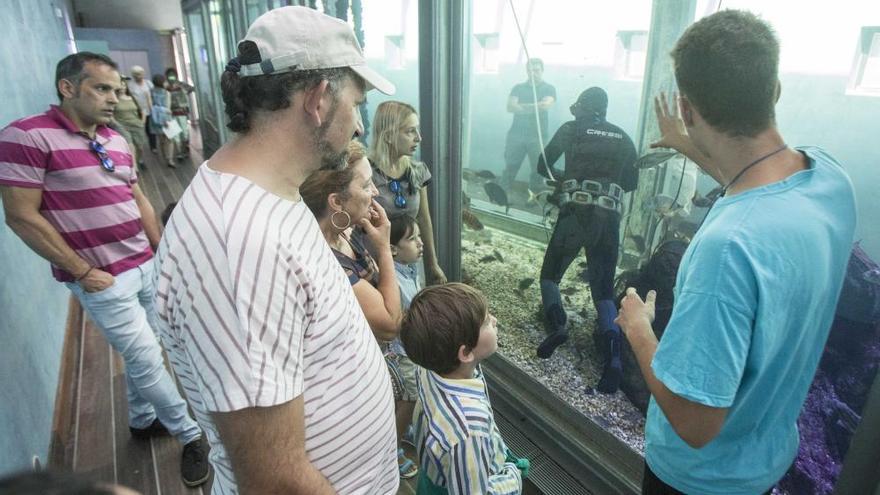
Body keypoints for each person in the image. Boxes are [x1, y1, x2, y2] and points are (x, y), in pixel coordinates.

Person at [152, 6, 399, 494]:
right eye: (358, 101)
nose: (359, 126)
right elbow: (276, 481)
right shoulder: (235, 243)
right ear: (320, 99)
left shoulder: (274, 196)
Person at [615, 10, 857, 495]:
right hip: (763, 462)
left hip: (698, 481)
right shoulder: (829, 180)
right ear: (775, 90)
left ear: (686, 108)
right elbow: (755, 187)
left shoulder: (727, 249)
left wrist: (639, 330)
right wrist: (691, 148)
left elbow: (694, 422)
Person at [0, 52, 207, 487]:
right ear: (68, 88)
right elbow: (21, 215)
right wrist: (81, 270)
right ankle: (192, 436)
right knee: (148, 357)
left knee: (147, 351)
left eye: (117, 90)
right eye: (102, 89)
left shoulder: (114, 138)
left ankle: (141, 419)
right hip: (101, 277)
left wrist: (159, 252)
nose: (114, 98)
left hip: (144, 264)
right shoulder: (26, 137)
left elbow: (139, 199)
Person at [300, 139, 418, 479]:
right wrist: (383, 248)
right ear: (336, 201)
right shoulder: (326, 258)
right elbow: (389, 324)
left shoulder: (343, 231)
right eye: (366, 186)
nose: (375, 195)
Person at [534, 88, 638, 394]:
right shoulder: (623, 137)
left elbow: (543, 164)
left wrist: (567, 179)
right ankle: (613, 359)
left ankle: (558, 326)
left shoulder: (571, 128)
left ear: (581, 107)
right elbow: (630, 182)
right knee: (604, 291)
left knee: (550, 276)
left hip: (574, 216)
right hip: (608, 220)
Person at [401, 283, 526, 494]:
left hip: (434, 473)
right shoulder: (468, 429)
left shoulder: (430, 368)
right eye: (486, 321)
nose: (494, 321)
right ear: (466, 352)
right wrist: (513, 476)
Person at [368, 101, 446, 284]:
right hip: (377, 264)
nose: (418, 138)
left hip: (411, 262)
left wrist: (432, 263)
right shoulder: (366, 173)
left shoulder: (418, 171)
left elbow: (424, 219)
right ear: (388, 136)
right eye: (410, 131)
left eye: (417, 130)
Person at [501, 58, 556, 193]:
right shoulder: (518, 88)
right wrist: (536, 106)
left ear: (542, 71)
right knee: (510, 166)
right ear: (526, 71)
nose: (533, 73)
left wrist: (521, 107)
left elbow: (545, 105)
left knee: (537, 169)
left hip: (537, 136)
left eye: (536, 70)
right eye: (530, 70)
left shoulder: (549, 88)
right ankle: (501, 195)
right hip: (516, 134)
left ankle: (534, 197)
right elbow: (510, 107)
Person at [113, 79, 148, 168]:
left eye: (124, 85)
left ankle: (140, 159)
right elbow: (111, 114)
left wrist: (142, 122)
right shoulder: (114, 99)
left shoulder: (132, 98)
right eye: (120, 85)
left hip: (136, 124)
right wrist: (116, 125)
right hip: (123, 126)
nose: (122, 88)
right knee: (130, 146)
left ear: (126, 87)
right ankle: (134, 167)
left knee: (140, 146)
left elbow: (142, 110)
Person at [164, 68, 194, 160]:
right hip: (171, 114)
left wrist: (184, 91)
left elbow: (191, 88)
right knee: (175, 134)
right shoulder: (165, 87)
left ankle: (185, 149)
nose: (171, 78)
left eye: (173, 75)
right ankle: (179, 152)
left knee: (184, 133)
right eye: (169, 76)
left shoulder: (181, 84)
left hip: (182, 112)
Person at [148, 74, 176, 168]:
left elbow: (150, 106)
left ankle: (165, 156)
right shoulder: (166, 93)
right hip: (166, 118)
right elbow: (168, 108)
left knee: (161, 140)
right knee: (170, 139)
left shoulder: (150, 92)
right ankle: (170, 159)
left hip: (155, 119)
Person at [126, 65, 154, 153]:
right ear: (133, 75)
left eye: (140, 73)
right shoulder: (131, 85)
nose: (139, 76)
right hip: (137, 110)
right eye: (136, 74)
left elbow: (153, 95)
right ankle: (140, 147)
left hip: (149, 109)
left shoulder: (148, 83)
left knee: (150, 129)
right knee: (139, 129)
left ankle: (153, 146)